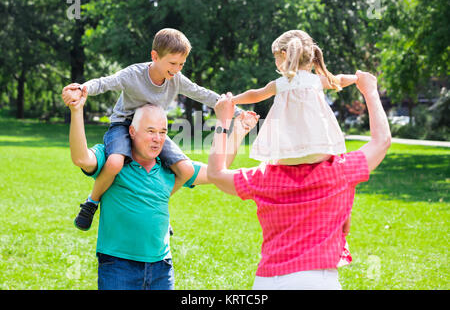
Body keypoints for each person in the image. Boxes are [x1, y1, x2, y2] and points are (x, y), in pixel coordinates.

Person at [207, 70, 391, 289]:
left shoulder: (263, 179)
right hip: (318, 281)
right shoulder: (340, 171)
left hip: (267, 281)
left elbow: (216, 172)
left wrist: (225, 123)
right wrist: (370, 90)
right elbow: (381, 141)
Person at [62, 86, 257, 290]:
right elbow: (81, 158)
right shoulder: (112, 157)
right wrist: (76, 112)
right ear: (132, 131)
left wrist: (238, 133)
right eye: (151, 131)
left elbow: (217, 171)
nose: (157, 139)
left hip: (161, 269)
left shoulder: (170, 168)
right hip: (118, 266)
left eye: (162, 132)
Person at [62, 28, 242, 231]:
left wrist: (236, 112)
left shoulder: (177, 79)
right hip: (124, 125)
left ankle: (158, 206)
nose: (176, 69)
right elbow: (105, 83)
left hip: (154, 130)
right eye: (172, 63)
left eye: (181, 64)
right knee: (114, 163)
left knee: (185, 170)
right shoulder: (133, 74)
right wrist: (81, 88)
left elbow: (202, 94)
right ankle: (91, 203)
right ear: (155, 56)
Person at [232, 29, 357, 165]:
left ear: (284, 55)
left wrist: (233, 100)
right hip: (320, 148)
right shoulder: (316, 81)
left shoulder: (280, 84)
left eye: (276, 57)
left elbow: (255, 95)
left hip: (287, 153)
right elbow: (340, 80)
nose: (275, 61)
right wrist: (357, 77)